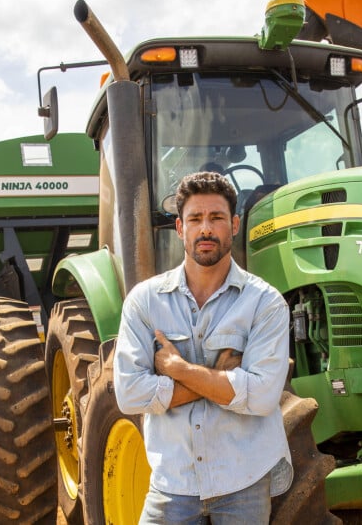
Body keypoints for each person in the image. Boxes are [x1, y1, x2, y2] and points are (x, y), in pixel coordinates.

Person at [114, 171, 293, 524]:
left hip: (244, 480)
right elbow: (129, 395)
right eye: (195, 219)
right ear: (180, 228)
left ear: (235, 225)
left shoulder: (265, 303)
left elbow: (261, 398)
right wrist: (225, 378)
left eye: (216, 218)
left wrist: (179, 370)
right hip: (172, 482)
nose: (206, 229)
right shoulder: (145, 302)